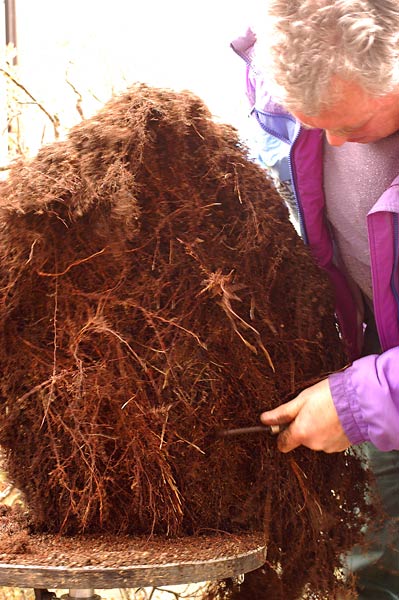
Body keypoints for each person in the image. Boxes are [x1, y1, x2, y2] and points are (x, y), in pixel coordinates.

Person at [231, 2, 399, 598]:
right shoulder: (286, 56)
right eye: (314, 122)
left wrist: (361, 401)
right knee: (376, 546)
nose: (335, 142)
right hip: (372, 339)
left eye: (350, 125)